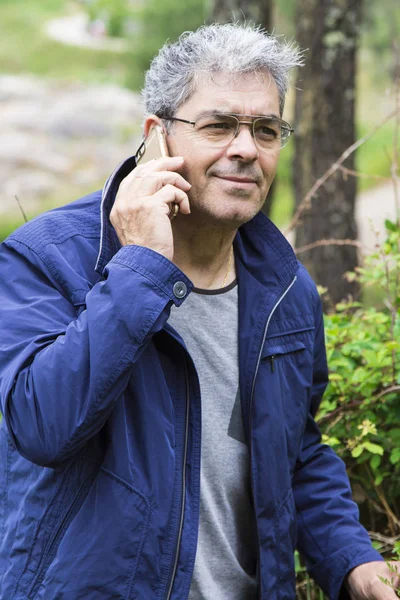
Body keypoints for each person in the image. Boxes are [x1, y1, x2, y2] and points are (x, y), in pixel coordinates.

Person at [0, 23, 398, 600]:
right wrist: (139, 266)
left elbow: (295, 450)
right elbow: (41, 425)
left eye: (266, 129)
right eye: (218, 125)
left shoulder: (286, 291)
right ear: (156, 138)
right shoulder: (48, 258)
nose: (245, 148)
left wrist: (352, 559)